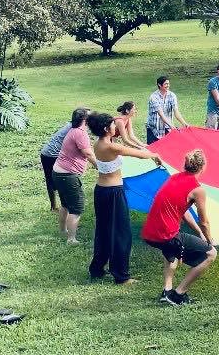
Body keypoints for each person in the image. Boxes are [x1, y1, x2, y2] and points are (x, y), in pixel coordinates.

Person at [87, 112, 162, 285]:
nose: (116, 127)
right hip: (113, 192)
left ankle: (97, 269)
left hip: (101, 191)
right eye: (113, 125)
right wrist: (155, 155)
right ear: (107, 129)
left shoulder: (98, 143)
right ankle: (121, 276)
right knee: (122, 233)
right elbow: (138, 154)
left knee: (103, 231)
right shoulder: (113, 147)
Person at [142, 149, 217, 306]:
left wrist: (199, 234)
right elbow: (205, 222)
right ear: (203, 167)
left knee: (173, 251)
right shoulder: (198, 190)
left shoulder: (175, 177)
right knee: (210, 254)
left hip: (150, 232)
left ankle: (166, 291)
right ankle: (177, 295)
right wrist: (209, 240)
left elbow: (183, 211)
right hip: (166, 234)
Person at [51, 109, 96, 244]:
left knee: (65, 204)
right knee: (76, 207)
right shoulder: (79, 133)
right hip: (67, 175)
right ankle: (71, 239)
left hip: (58, 173)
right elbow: (88, 154)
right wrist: (101, 166)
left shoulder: (73, 130)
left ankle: (63, 230)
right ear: (84, 120)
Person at [39, 107, 90, 211]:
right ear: (83, 119)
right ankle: (56, 206)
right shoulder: (74, 129)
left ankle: (60, 205)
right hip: (50, 154)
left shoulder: (75, 126)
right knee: (55, 180)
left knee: (57, 180)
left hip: (51, 153)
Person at [146, 76, 188, 144]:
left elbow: (176, 112)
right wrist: (171, 126)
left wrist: (184, 123)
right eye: (166, 84)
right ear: (159, 85)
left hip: (166, 127)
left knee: (168, 147)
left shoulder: (172, 95)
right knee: (152, 150)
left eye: (168, 83)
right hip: (154, 128)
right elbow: (161, 114)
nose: (168, 85)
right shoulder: (153, 97)